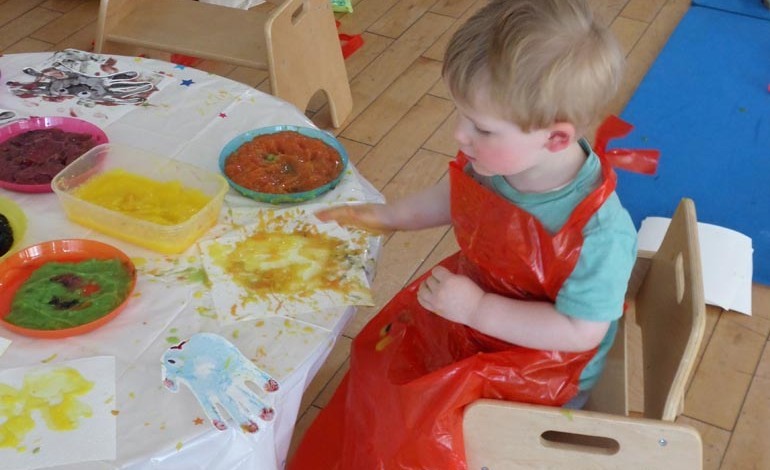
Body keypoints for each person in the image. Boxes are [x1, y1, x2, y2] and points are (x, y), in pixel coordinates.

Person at [289, 0, 637, 468]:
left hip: (543, 373)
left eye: (481, 127)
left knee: (418, 421)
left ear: (556, 138)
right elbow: (452, 200)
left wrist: (478, 308)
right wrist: (388, 216)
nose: (459, 134)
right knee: (376, 367)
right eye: (460, 115)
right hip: (472, 319)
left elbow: (579, 331)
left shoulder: (600, 234)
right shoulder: (499, 163)